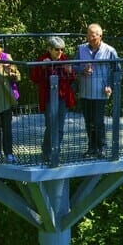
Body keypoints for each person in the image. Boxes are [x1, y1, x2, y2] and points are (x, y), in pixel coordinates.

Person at [74, 23, 121, 158]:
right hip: (85, 91)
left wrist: (110, 86)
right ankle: (91, 148)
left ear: (100, 36)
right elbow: (73, 66)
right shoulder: (81, 49)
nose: (90, 38)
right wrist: (82, 70)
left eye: (93, 36)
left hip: (101, 92)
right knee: (88, 121)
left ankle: (102, 147)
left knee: (98, 121)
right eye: (88, 35)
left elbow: (117, 71)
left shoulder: (110, 50)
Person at [29, 36, 77, 164]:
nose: (60, 52)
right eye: (57, 49)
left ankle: (56, 151)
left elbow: (72, 78)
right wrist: (43, 68)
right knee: (51, 126)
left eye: (62, 49)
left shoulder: (65, 59)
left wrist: (69, 72)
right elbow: (34, 78)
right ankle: (47, 152)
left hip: (63, 98)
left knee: (60, 127)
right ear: (49, 49)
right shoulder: (42, 60)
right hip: (49, 98)